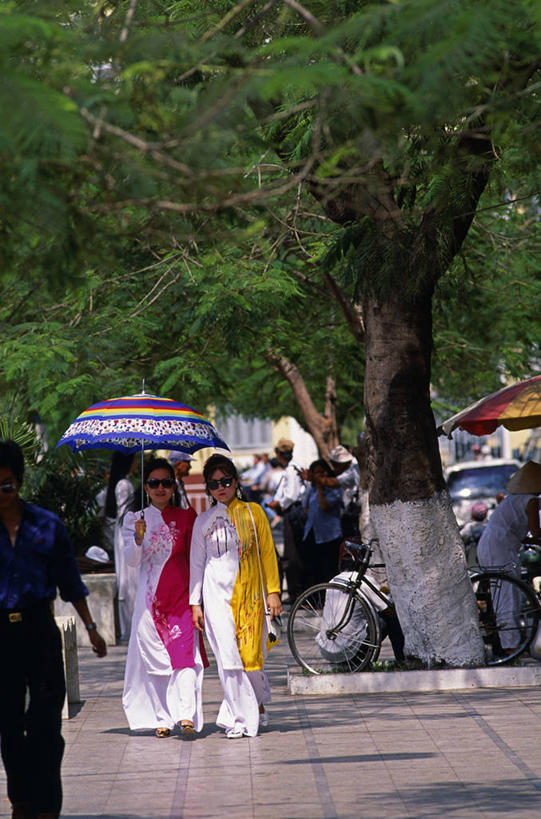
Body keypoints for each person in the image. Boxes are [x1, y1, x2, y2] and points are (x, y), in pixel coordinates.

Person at [0, 439, 107, 819]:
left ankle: (46, 806)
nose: (1, 495)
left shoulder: (46, 525)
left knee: (45, 724)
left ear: (19, 481)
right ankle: (22, 800)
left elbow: (70, 581)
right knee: (9, 725)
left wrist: (91, 628)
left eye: (6, 486)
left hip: (39, 631)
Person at [189, 454, 282, 738]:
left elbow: (268, 553)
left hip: (250, 594)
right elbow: (196, 563)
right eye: (214, 483)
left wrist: (273, 592)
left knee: (250, 656)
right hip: (215, 596)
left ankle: (257, 703)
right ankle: (240, 718)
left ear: (236, 481)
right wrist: (195, 603)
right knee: (228, 657)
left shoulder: (254, 513)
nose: (221, 487)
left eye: (226, 481)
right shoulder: (203, 521)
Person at [121, 458, 206, 738]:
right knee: (156, 662)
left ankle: (186, 716)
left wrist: (197, 600)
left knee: (184, 656)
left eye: (166, 483)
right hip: (149, 605)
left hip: (181, 599)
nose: (160, 488)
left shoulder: (186, 518)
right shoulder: (134, 520)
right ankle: (162, 717)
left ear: (173, 486)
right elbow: (132, 561)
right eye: (154, 483)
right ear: (146, 487)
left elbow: (196, 561)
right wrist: (138, 538)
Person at [477, 460, 541, 652]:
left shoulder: (513, 499)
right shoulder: (531, 501)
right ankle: (510, 647)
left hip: (493, 546)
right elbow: (536, 532)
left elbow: (522, 534)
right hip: (499, 549)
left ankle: (511, 644)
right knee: (507, 598)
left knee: (507, 595)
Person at [267, 438, 307, 603]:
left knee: (292, 554)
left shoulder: (291, 470)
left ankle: (296, 592)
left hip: (293, 514)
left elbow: (290, 496)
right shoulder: (293, 468)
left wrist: (278, 504)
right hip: (293, 512)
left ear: (278, 454)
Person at [104, 452, 137, 641]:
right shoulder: (123, 484)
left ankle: (130, 625)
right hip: (127, 531)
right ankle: (130, 626)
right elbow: (125, 512)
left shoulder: (121, 482)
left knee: (129, 577)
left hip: (124, 530)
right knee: (128, 578)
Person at [304, 445, 361, 538]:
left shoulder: (352, 472)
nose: (334, 468)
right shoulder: (346, 472)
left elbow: (333, 483)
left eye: (336, 465)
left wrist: (315, 479)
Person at [302, 460, 343, 586]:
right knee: (315, 569)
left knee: (329, 569)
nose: (322, 475)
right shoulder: (311, 489)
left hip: (329, 534)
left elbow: (324, 506)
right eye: (318, 473)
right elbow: (305, 506)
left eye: (323, 472)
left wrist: (321, 487)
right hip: (313, 532)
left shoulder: (333, 489)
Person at [460, 501, 488, 568]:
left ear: (472, 515)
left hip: (472, 560)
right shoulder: (489, 526)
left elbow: (461, 537)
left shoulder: (469, 527)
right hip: (486, 557)